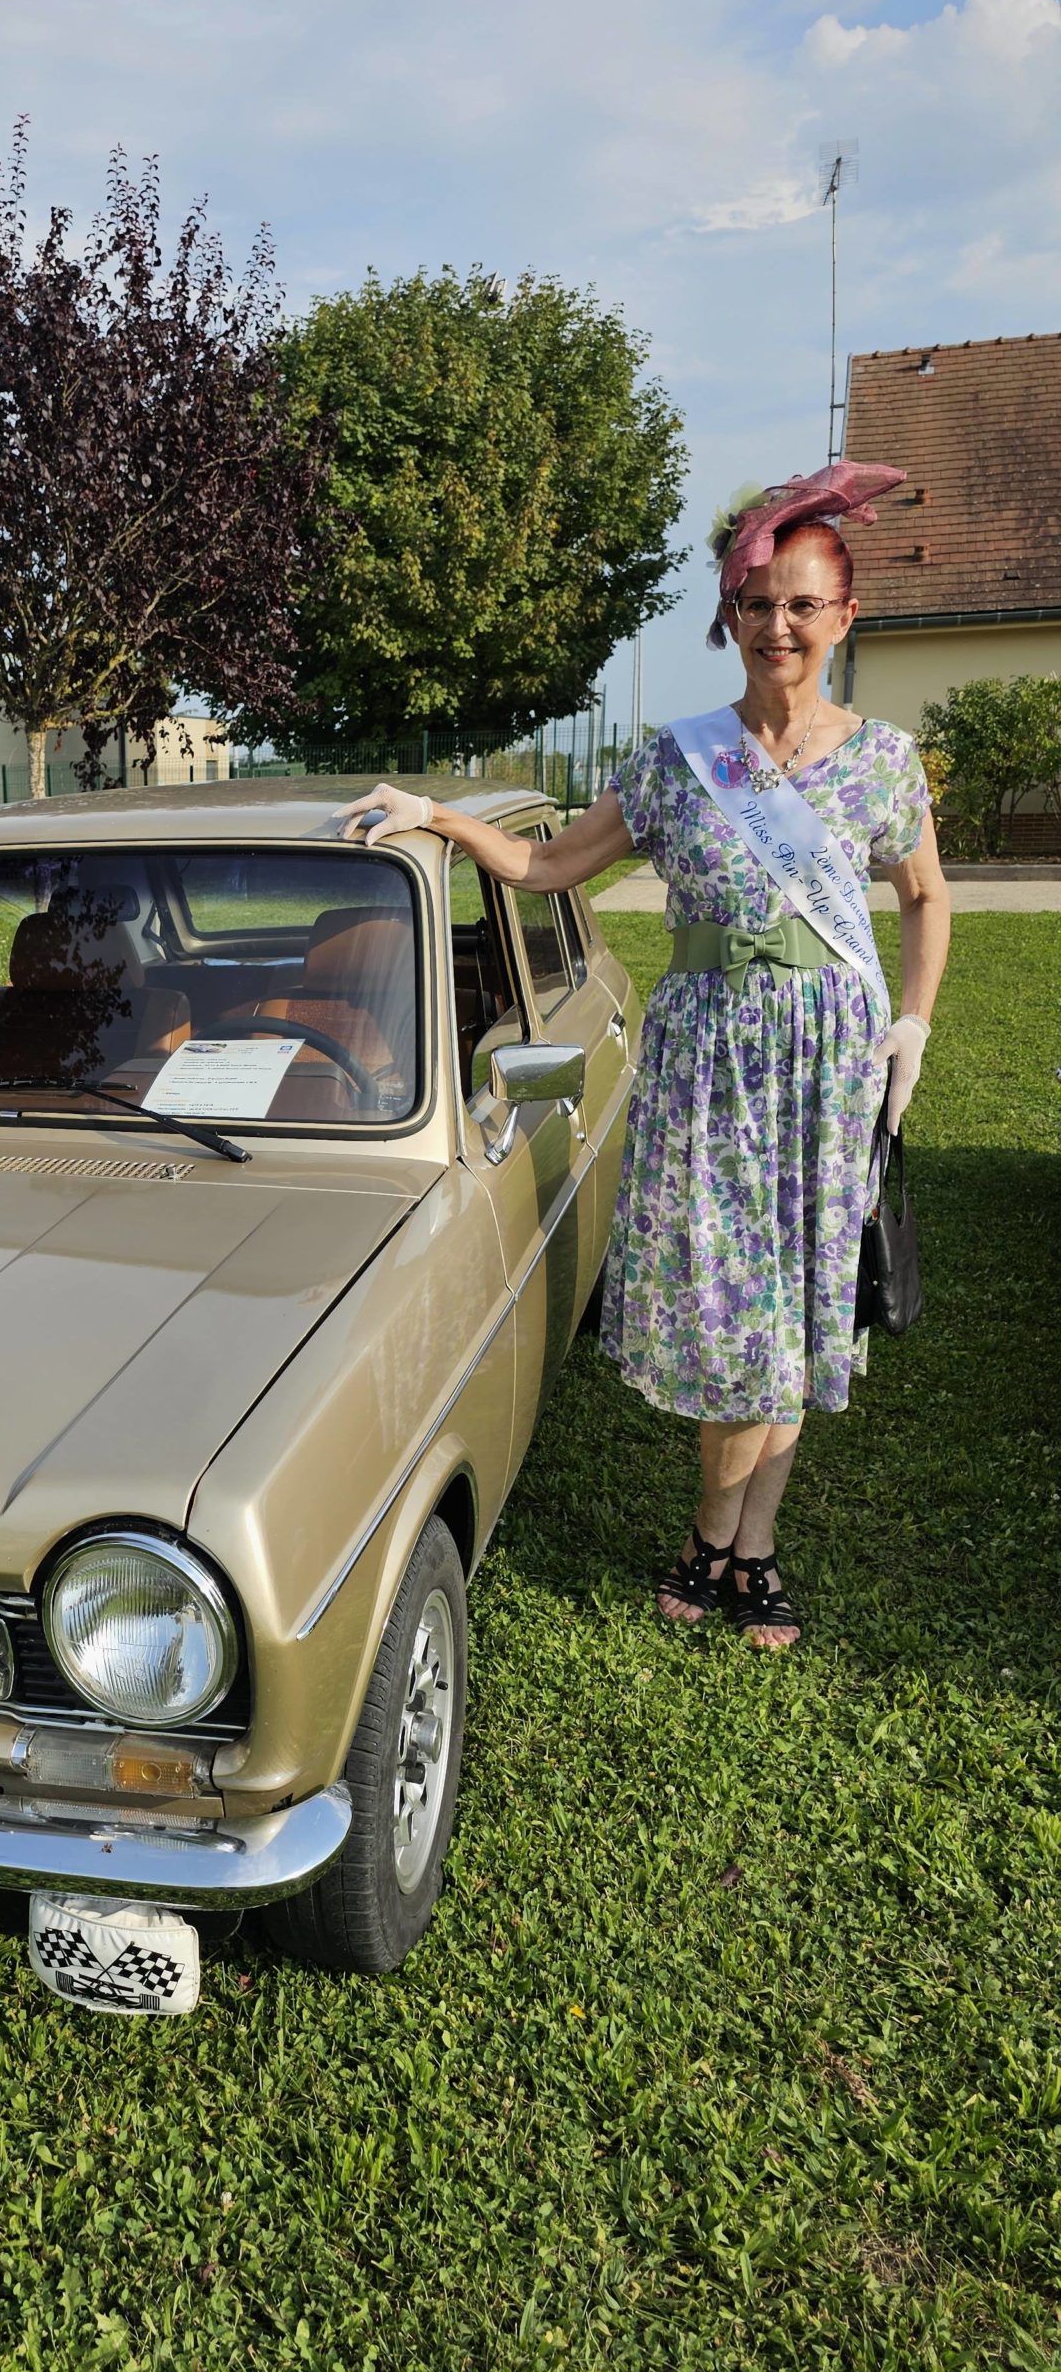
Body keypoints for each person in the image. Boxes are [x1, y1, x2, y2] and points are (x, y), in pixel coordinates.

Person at [340, 462, 952, 1649]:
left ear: (845, 616)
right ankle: (724, 1539)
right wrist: (437, 817)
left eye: (803, 604)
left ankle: (738, 1547)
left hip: (827, 1066)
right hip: (710, 1064)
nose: (778, 626)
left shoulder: (882, 760)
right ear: (730, 615)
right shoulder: (679, 760)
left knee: (794, 1314)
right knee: (735, 1318)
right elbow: (548, 865)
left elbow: (925, 896)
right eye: (757, 603)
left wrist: (914, 1023)